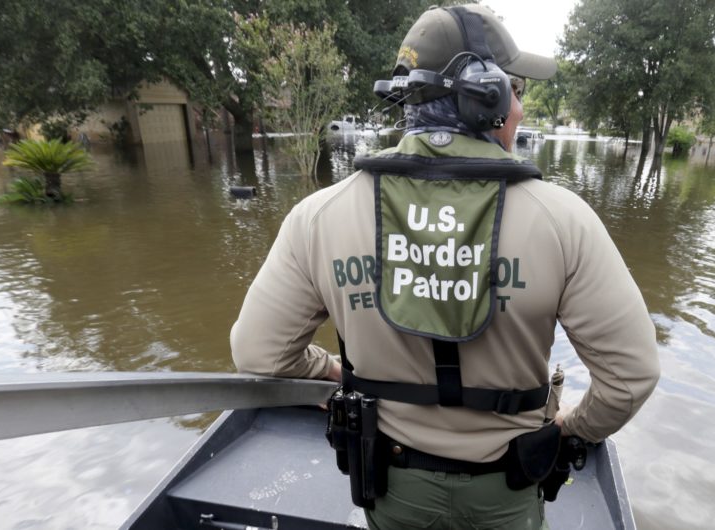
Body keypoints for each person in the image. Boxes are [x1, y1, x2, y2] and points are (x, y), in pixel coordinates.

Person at [231, 4, 659, 529]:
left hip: (392, 486)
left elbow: (257, 353)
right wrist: (571, 430)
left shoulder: (317, 217)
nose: (520, 110)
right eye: (517, 92)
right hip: (509, 488)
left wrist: (331, 373)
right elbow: (631, 378)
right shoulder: (564, 220)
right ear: (489, 99)